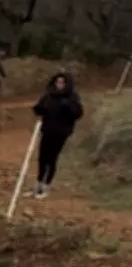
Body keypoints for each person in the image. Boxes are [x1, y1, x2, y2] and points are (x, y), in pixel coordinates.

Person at [30, 71, 83, 199]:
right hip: (47, 130)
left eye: (62, 83)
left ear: (67, 84)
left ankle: (46, 186)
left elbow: (78, 114)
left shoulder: (72, 97)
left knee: (52, 159)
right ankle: (38, 184)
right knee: (42, 157)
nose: (59, 85)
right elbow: (40, 108)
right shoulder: (49, 95)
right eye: (58, 82)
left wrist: (69, 107)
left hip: (61, 132)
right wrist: (38, 109)